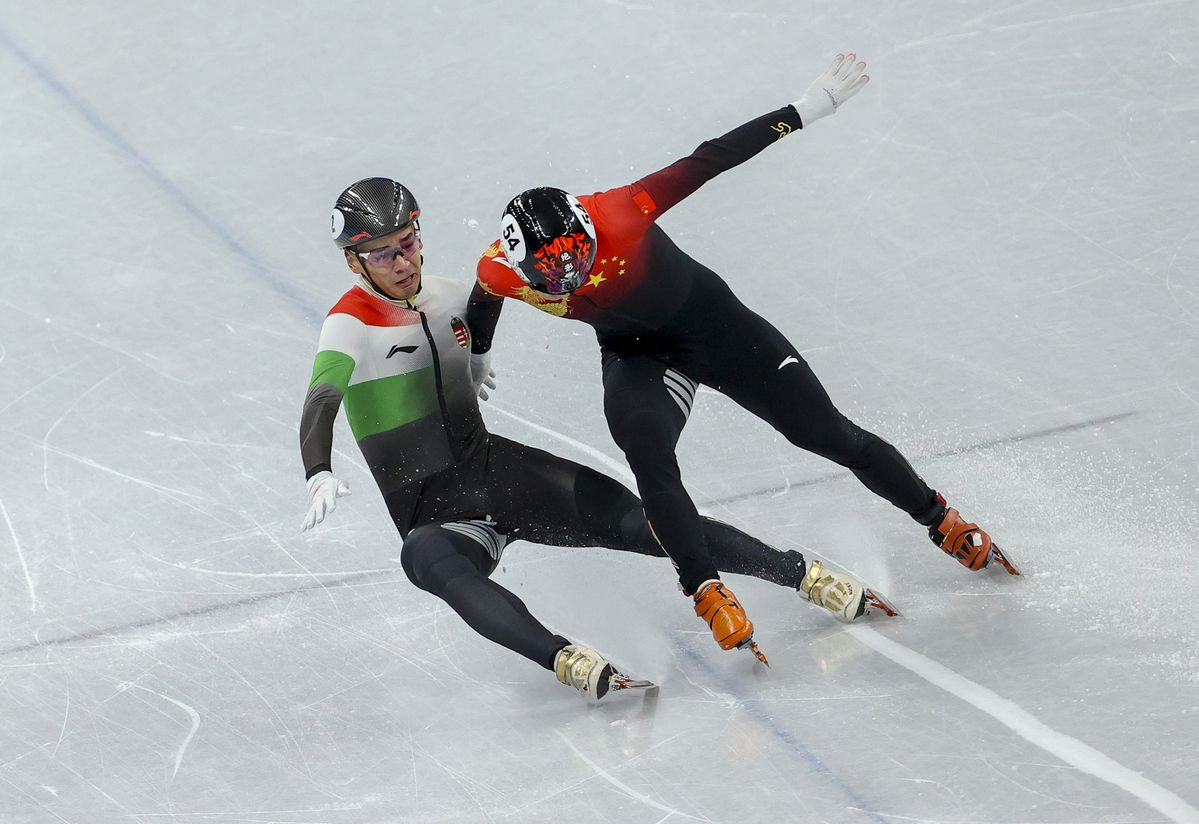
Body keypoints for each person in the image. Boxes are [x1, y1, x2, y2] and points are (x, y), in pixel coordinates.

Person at [471, 53, 1019, 657]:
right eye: (550, 270)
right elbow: (483, 299)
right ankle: (704, 586)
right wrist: (478, 357)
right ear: (519, 262)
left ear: (588, 230)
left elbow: (710, 159)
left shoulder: (622, 212)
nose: (569, 272)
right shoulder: (497, 269)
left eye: (576, 254)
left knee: (829, 435)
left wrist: (805, 110)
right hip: (638, 356)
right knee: (646, 451)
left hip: (718, 330)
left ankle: (937, 517)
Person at [298, 178, 889, 701]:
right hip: (438, 515)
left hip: (500, 475)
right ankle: (565, 659)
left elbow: (491, 313)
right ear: (355, 262)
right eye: (381, 253)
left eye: (408, 241)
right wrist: (318, 468)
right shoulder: (348, 322)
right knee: (425, 560)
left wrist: (475, 362)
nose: (401, 262)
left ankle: (802, 574)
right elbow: (323, 397)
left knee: (647, 523)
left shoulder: (454, 294)